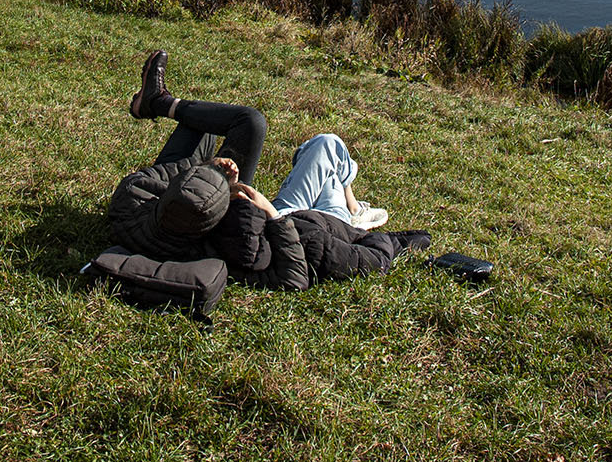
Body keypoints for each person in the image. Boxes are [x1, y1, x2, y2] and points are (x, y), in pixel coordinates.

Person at [109, 50, 430, 291]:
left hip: (281, 216)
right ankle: (352, 206)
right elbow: (294, 277)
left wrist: (212, 172)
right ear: (217, 216)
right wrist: (271, 215)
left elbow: (165, 180)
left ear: (174, 190)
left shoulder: (132, 200)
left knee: (216, 124)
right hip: (311, 222)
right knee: (327, 145)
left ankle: (157, 102)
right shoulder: (232, 245)